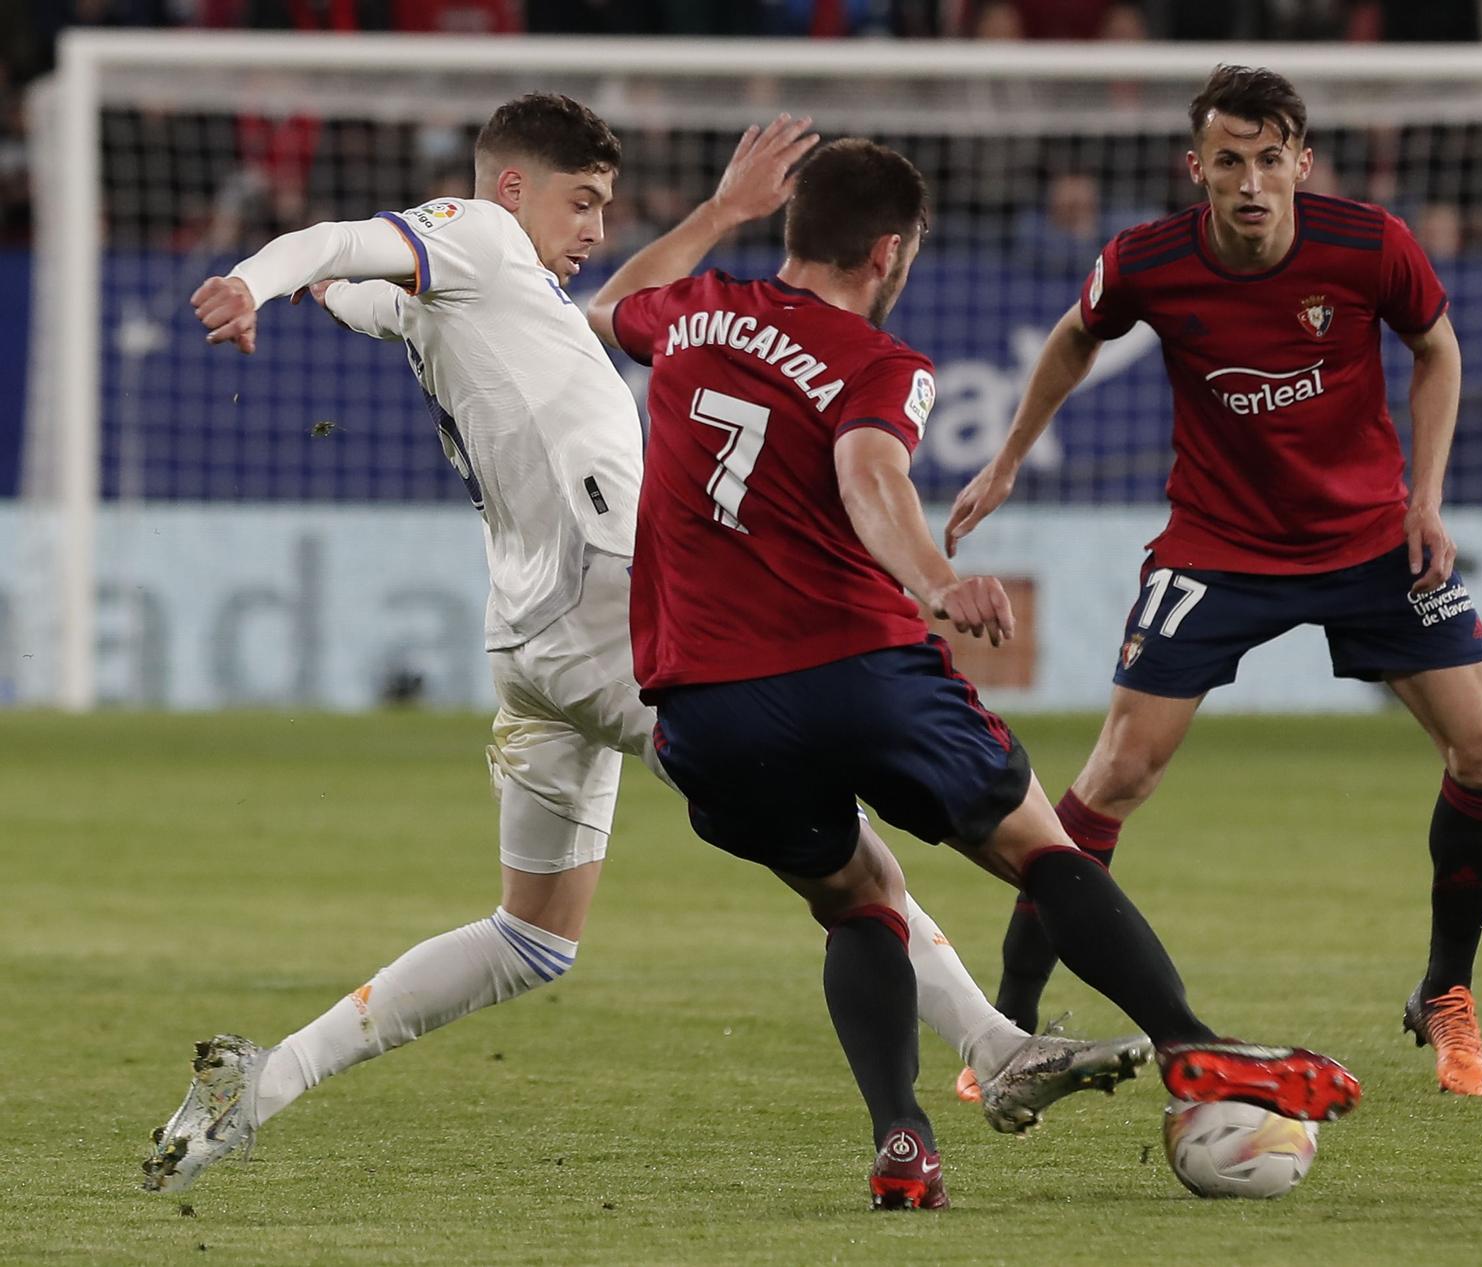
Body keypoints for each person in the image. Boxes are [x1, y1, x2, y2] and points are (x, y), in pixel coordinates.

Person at [143, 96, 1142, 1196]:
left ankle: (266, 1076)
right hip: (612, 611)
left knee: (533, 940)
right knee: (826, 819)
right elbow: (339, 245)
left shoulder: (477, 294)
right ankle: (997, 1049)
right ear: (508, 189)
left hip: (531, 645)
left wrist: (716, 212)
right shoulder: (476, 236)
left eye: (608, 205)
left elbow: (360, 282)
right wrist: (256, 278)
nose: (595, 228)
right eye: (582, 201)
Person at [593, 136, 1361, 1211]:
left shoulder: (691, 310)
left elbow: (602, 304)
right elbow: (867, 472)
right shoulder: (881, 364)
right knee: (1037, 846)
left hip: (705, 703)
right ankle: (1190, 1041)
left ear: (790, 231)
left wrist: (719, 210)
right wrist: (934, 577)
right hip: (857, 667)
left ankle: (901, 1141)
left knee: (856, 901)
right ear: (891, 252)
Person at [947, 65, 1482, 1098]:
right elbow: (1075, 336)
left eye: (1268, 160)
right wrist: (1008, 458)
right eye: (1228, 162)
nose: (1249, 183)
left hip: (1368, 542)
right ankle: (1011, 1020)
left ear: (1299, 162)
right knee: (1113, 776)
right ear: (1195, 167)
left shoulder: (1367, 243)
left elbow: (1435, 349)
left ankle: (1445, 993)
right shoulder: (1147, 262)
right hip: (1217, 546)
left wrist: (1424, 498)